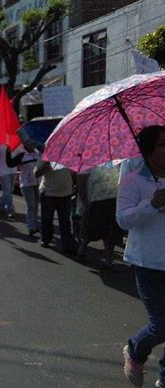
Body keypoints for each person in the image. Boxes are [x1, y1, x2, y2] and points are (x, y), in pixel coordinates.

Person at [118, 125, 165, 388]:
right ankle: (135, 350)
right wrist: (153, 204)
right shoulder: (134, 178)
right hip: (148, 263)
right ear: (148, 151)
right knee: (161, 325)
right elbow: (123, 219)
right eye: (161, 145)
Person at [76, 162, 123, 269]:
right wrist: (85, 201)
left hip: (113, 200)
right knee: (91, 229)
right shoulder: (87, 162)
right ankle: (82, 249)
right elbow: (81, 183)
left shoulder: (115, 161)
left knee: (111, 232)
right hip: (95, 201)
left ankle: (109, 261)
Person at [34, 156, 77, 254]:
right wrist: (46, 164)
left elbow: (73, 171)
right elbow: (36, 173)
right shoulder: (45, 155)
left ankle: (67, 245)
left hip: (66, 193)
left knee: (65, 221)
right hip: (49, 193)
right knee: (47, 219)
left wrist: (75, 184)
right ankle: (45, 239)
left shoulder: (69, 154)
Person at [7, 144, 40, 236]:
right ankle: (31, 227)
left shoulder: (37, 153)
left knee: (36, 205)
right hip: (26, 184)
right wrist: (8, 152)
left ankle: (34, 224)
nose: (30, 145)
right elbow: (10, 163)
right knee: (31, 205)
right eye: (27, 143)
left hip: (37, 183)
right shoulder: (22, 155)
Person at [0, 142, 17, 218]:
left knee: (10, 190)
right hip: (3, 170)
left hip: (13, 170)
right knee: (7, 191)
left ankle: (1, 205)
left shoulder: (14, 141)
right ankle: (10, 210)